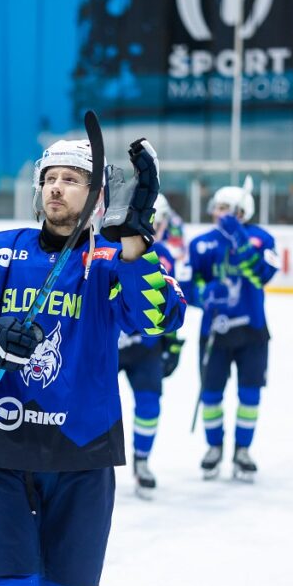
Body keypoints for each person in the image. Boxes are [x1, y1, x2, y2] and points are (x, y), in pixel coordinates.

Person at [0, 137, 184, 586]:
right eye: (50, 179)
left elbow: (160, 318)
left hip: (83, 450)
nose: (57, 188)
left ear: (97, 195)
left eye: (72, 179)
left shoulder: (114, 260)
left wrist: (135, 246)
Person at [185, 182, 278, 481]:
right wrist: (204, 294)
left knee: (249, 395)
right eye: (217, 207)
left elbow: (262, 276)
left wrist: (241, 241)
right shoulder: (201, 244)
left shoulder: (262, 240)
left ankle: (242, 450)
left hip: (252, 332)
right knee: (211, 394)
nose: (217, 212)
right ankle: (214, 447)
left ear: (241, 212)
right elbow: (187, 285)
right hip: (215, 331)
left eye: (225, 208)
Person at [115, 194, 184, 496]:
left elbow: (166, 305)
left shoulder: (164, 253)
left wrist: (170, 341)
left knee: (149, 403)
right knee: (93, 402)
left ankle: (142, 460)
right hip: (109, 344)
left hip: (145, 346)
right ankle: (88, 462)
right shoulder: (109, 249)